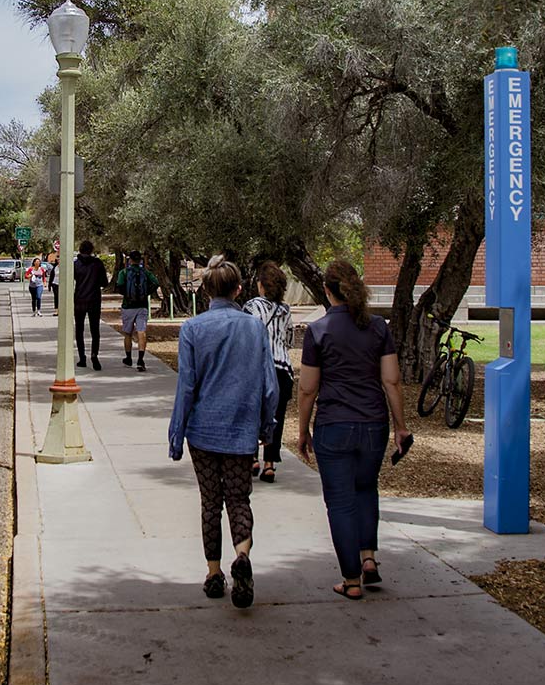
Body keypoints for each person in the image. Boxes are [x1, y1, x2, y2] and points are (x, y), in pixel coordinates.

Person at [295, 259, 410, 601]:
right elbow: (391, 380)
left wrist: (302, 432)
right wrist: (401, 427)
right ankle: (368, 556)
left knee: (341, 502)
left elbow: (307, 389)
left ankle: (351, 579)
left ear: (328, 292)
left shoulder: (318, 331)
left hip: (334, 424)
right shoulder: (378, 328)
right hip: (374, 423)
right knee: (365, 489)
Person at [166, 260, 278, 609]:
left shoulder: (192, 329)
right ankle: (242, 554)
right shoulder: (254, 328)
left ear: (206, 291)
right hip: (241, 428)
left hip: (203, 430)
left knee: (211, 502)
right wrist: (266, 425)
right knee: (239, 499)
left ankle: (214, 573)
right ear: (239, 290)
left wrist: (176, 433)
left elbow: (186, 386)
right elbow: (269, 385)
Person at [244, 262, 295, 483]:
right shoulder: (285, 310)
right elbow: (290, 340)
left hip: (257, 367)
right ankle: (270, 464)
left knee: (253, 413)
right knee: (277, 417)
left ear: (262, 285)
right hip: (282, 369)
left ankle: (252, 458)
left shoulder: (251, 306)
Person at [115, 252, 158, 371]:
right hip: (142, 305)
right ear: (140, 260)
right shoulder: (146, 272)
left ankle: (128, 358)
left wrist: (128, 295)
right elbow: (156, 283)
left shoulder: (123, 273)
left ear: (130, 260)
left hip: (128, 306)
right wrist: (145, 293)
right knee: (141, 332)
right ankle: (140, 359)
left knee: (127, 333)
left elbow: (119, 286)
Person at [72, 241, 107, 371]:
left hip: (79, 299)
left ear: (80, 250)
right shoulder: (98, 264)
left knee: (79, 329)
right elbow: (104, 282)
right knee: (95, 330)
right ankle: (94, 355)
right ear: (92, 250)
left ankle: (82, 357)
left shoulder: (75, 265)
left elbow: (72, 280)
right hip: (94, 299)